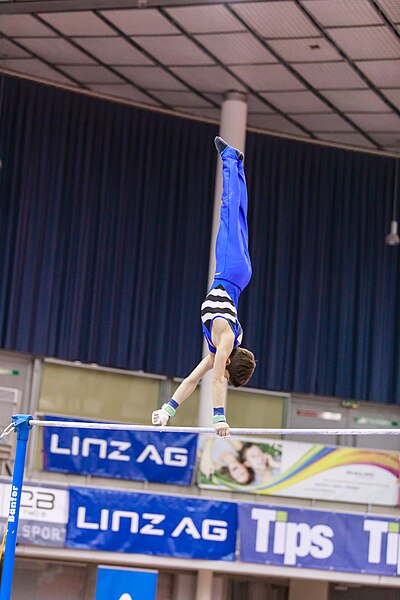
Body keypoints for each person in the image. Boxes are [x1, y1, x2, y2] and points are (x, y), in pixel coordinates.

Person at [152, 136, 256, 437]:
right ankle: (230, 160)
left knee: (238, 216)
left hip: (237, 274)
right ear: (228, 365)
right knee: (229, 210)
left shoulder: (217, 352)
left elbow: (193, 379)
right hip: (230, 271)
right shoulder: (225, 341)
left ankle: (237, 166)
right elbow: (217, 381)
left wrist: (168, 409)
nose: (218, 369)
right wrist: (219, 418)